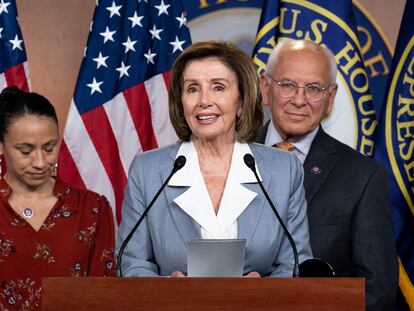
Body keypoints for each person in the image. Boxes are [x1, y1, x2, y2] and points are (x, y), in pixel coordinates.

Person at [116, 41, 312, 277]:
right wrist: (166, 291)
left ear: (241, 102)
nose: (204, 101)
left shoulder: (285, 170)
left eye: (218, 87)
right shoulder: (147, 171)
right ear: (181, 101)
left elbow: (295, 265)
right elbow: (131, 263)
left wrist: (262, 294)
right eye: (192, 89)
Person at [257, 39, 398, 310]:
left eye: (314, 89)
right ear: (266, 88)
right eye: (287, 85)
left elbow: (376, 292)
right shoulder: (227, 157)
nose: (299, 100)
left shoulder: (363, 178)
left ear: (330, 98)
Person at [0, 86, 115, 310]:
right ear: (1, 146)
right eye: (25, 151)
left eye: (49, 148)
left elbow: (103, 296)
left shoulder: (92, 209)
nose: (41, 162)